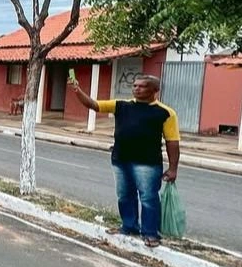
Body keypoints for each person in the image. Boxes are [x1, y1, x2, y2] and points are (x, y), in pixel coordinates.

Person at [70, 74, 179, 248]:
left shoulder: (165, 113)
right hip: (121, 160)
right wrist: (77, 91)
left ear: (155, 90)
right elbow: (94, 105)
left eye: (142, 86)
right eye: (135, 85)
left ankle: (151, 233)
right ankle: (129, 226)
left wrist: (173, 168)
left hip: (148, 163)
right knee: (124, 195)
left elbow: (172, 142)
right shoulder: (121, 105)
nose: (136, 89)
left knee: (148, 198)